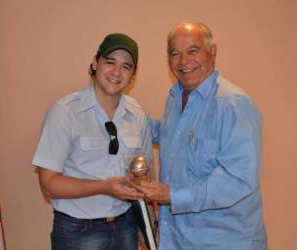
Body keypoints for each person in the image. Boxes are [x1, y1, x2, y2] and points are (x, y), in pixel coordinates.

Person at [134, 22, 267, 249]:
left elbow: (237, 181)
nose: (184, 61)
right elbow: (167, 134)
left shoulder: (233, 104)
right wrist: (123, 109)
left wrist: (172, 195)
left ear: (212, 52)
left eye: (192, 51)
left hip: (223, 243)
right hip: (177, 239)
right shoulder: (175, 98)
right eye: (175, 54)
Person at [32, 33, 153, 250]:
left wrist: (146, 226)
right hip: (77, 232)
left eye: (126, 66)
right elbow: (48, 184)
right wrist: (104, 187)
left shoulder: (137, 114)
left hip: (126, 225)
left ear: (133, 75)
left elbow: (143, 177)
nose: (117, 72)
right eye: (110, 62)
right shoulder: (65, 112)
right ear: (96, 63)